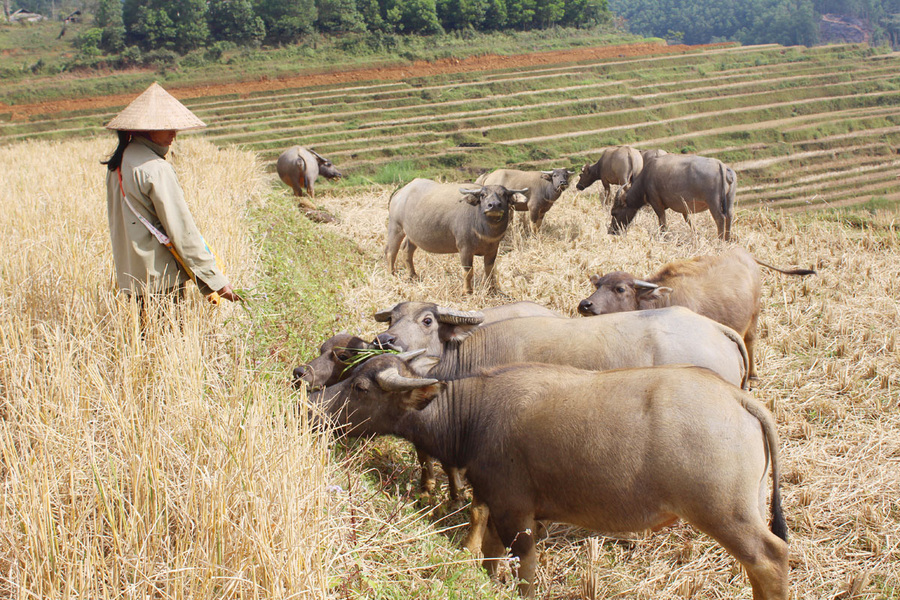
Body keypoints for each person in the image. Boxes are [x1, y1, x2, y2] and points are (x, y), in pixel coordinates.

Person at [102, 82, 241, 307]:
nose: (174, 133)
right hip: (160, 278)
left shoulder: (119, 163)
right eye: (167, 127)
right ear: (146, 128)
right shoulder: (155, 168)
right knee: (166, 333)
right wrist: (216, 280)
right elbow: (182, 231)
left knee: (144, 339)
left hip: (131, 277)